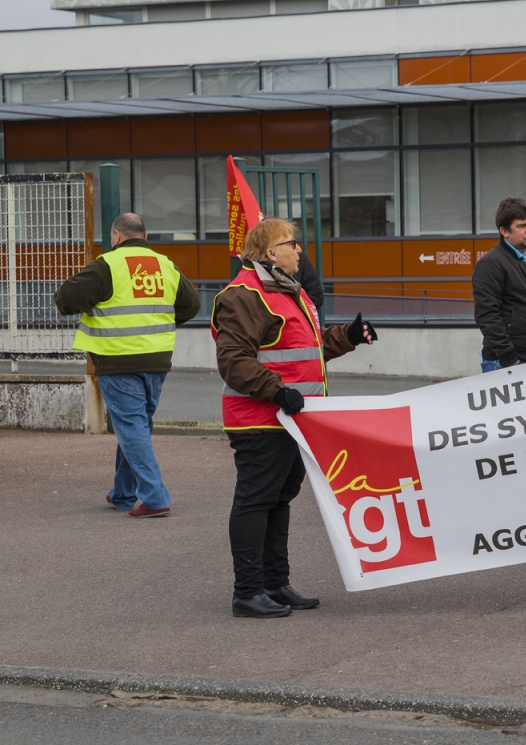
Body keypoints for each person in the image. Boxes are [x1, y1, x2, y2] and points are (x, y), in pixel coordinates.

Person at [212, 217, 379, 618]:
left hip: (291, 420)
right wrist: (276, 391)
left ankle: (275, 583)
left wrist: (348, 336)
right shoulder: (243, 294)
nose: (299, 250)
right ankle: (248, 592)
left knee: (279, 499)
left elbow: (305, 348)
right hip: (260, 419)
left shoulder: (288, 291)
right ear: (271, 252)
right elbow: (233, 360)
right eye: (292, 243)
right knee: (256, 501)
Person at [54, 212, 200, 518]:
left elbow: (65, 298)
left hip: (117, 360)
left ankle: (155, 497)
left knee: (132, 427)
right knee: (135, 427)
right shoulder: (165, 265)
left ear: (116, 236)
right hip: (157, 360)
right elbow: (192, 305)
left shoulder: (107, 265)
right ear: (144, 237)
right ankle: (122, 493)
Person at [472, 197, 526, 372]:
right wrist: (509, 358)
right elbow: (487, 315)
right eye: (522, 226)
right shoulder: (491, 264)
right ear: (504, 231)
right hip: (505, 364)